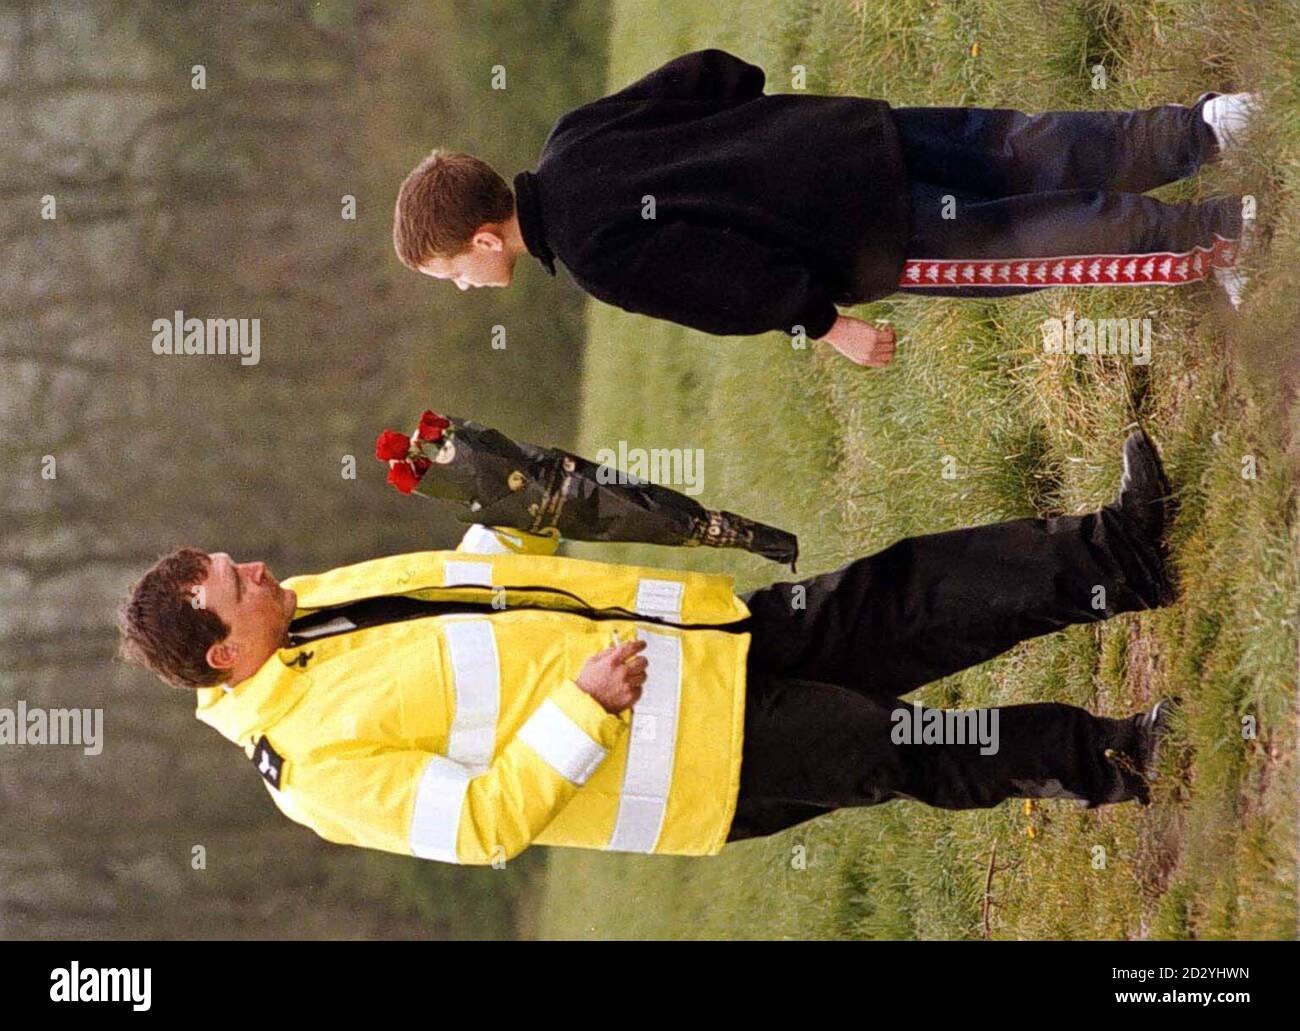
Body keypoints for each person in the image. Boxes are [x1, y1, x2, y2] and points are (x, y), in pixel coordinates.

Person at [119, 430, 1179, 865]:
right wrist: (583, 709)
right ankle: (1119, 759)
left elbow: (486, 590)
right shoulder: (310, 774)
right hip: (696, 761)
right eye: (234, 582)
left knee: (904, 592)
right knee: (905, 743)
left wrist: (517, 502)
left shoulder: (314, 603)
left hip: (696, 640)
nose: (256, 566)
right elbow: (482, 828)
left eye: (235, 558)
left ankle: (1119, 554)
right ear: (221, 654)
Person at [392, 48, 1260, 368]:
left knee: (1030, 238)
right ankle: (1206, 130)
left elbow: (729, 280)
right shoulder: (572, 136)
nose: (465, 287)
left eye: (454, 274)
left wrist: (824, 322)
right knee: (1025, 148)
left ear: (480, 237)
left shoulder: (591, 254)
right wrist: (770, 136)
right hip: (853, 137)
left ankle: (1219, 234)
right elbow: (714, 73)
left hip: (869, 235)